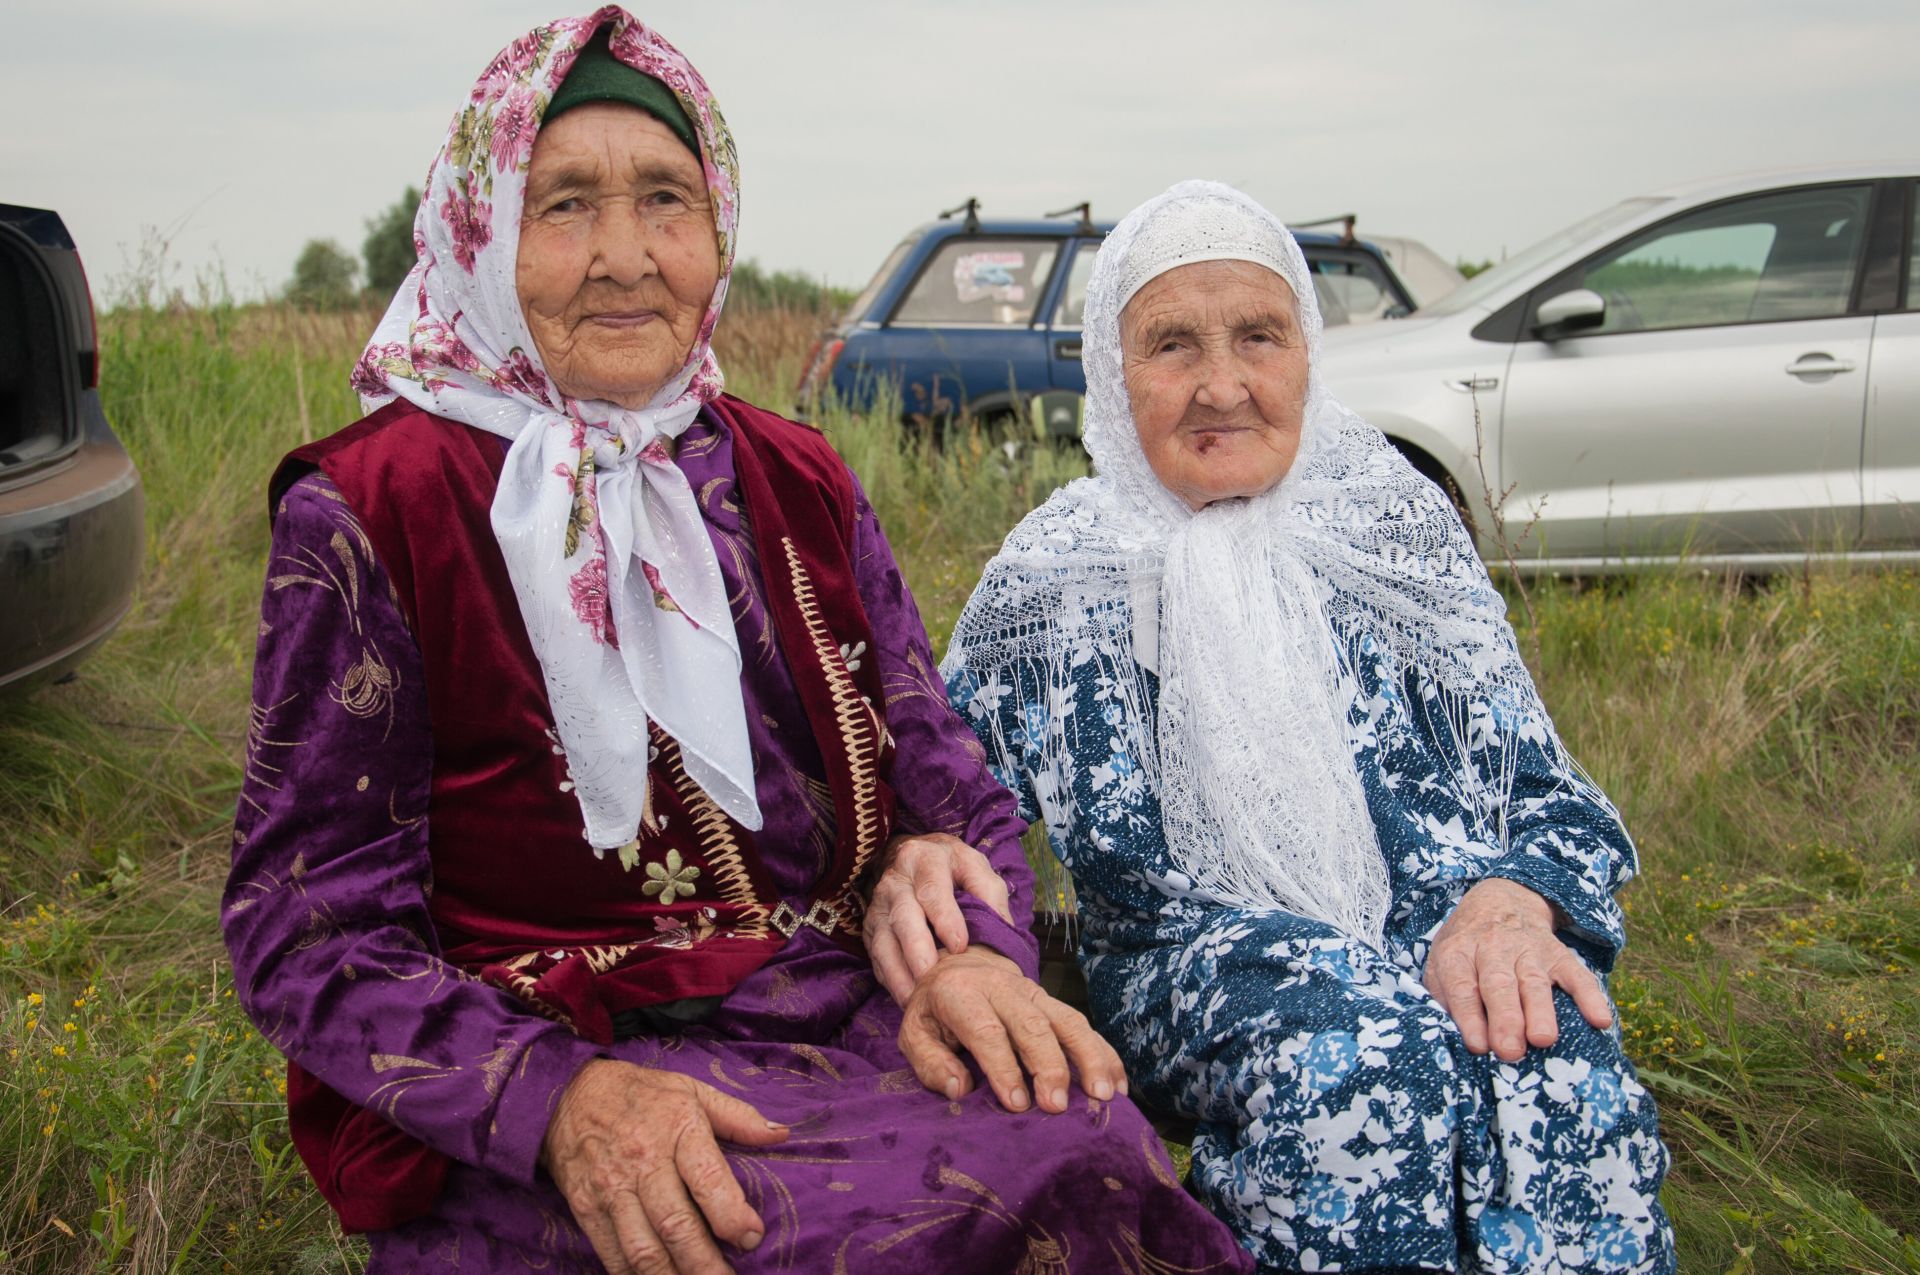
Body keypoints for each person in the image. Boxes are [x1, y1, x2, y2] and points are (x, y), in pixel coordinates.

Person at [221, 15, 1252, 1274]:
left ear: (717, 236)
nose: (623, 258)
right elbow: (304, 926)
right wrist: (554, 1105)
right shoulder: (375, 506)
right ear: (480, 233)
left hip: (847, 1016)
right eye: (562, 207)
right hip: (559, 1064)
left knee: (1082, 1148)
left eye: (666, 199)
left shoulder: (795, 473)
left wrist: (968, 956)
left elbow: (953, 783)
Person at [937, 181, 1676, 1273]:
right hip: (1196, 954)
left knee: (1555, 1055)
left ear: (1308, 352)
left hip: (1442, 919)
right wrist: (976, 956)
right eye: (1171, 345)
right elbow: (937, 803)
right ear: (1110, 371)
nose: (1221, 384)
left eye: (1258, 336)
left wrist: (1514, 902)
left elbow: (1541, 788)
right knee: (1354, 1060)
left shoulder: (1390, 523)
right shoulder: (1055, 580)